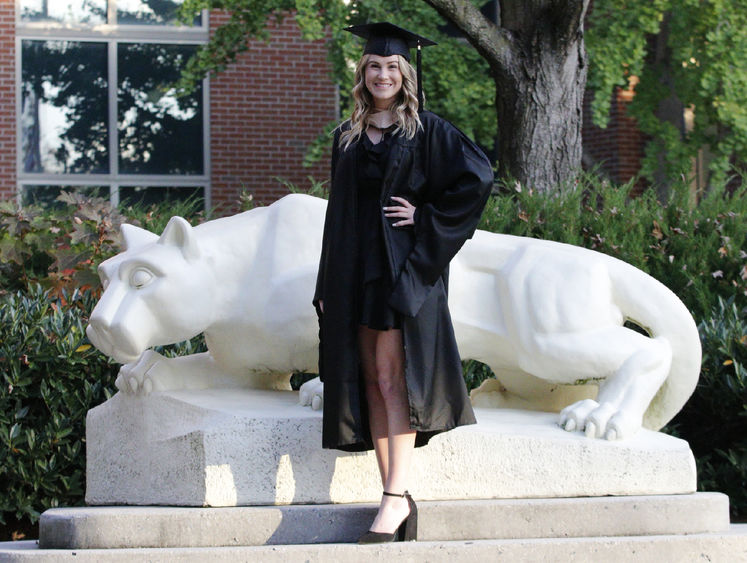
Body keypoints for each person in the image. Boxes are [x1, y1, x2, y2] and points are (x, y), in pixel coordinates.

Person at [313, 22, 494, 544]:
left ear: (405, 74)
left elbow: (477, 178)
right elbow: (336, 214)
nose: (383, 74)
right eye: (374, 66)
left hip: (401, 273)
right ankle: (392, 493)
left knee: (395, 380)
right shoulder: (346, 137)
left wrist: (426, 216)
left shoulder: (426, 130)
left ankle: (395, 495)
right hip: (354, 273)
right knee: (370, 379)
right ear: (362, 73)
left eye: (392, 67)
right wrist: (327, 280)